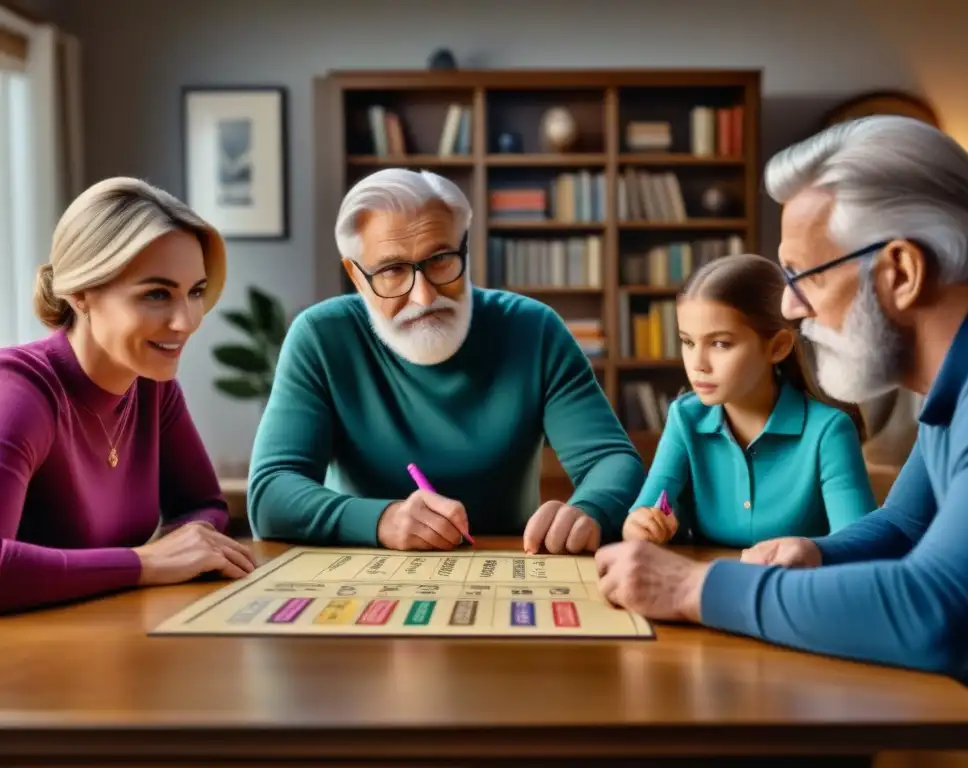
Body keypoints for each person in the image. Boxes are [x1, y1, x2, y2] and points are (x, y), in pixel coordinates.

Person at [594, 115, 968, 736]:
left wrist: (697, 589)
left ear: (900, 272)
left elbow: (937, 613)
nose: (791, 307)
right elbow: (905, 524)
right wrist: (818, 553)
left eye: (806, 275)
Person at [247, 168, 645, 554]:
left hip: (511, 570)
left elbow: (612, 461)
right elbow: (271, 493)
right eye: (392, 270)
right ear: (355, 275)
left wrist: (588, 510)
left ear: (464, 248)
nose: (423, 297)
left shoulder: (533, 329)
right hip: (365, 573)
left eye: (440, 260)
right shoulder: (321, 337)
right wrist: (382, 520)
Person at [0, 176, 257, 615]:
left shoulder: (152, 388)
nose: (187, 321)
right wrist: (146, 563)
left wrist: (182, 548)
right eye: (157, 294)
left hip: (103, 640)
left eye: (194, 292)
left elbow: (203, 505)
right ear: (80, 294)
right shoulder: (20, 394)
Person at [623, 253, 874, 547]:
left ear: (778, 347)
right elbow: (643, 515)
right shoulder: (685, 417)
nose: (698, 363)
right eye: (688, 342)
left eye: (720, 343)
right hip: (705, 587)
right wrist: (640, 527)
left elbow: (860, 546)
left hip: (797, 589)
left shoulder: (829, 431)